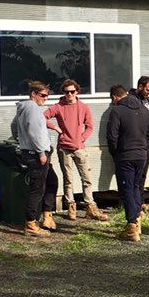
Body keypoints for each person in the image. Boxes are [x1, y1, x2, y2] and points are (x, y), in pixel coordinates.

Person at [44, 79, 106, 222]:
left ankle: (90, 206)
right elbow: (43, 117)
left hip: (80, 148)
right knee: (68, 179)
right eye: (66, 92)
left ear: (77, 92)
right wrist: (55, 128)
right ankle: (71, 206)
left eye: (72, 91)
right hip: (64, 148)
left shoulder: (83, 107)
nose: (69, 94)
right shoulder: (58, 107)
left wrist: (82, 138)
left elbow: (90, 126)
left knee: (86, 178)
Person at [107, 85, 149, 242]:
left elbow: (112, 136)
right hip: (142, 154)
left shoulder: (117, 111)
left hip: (125, 155)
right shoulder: (144, 110)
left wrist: (116, 153)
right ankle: (137, 221)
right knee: (135, 187)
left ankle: (131, 226)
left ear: (115, 97)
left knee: (126, 189)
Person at [12, 81, 58, 237]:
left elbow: (14, 126)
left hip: (32, 151)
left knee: (52, 181)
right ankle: (31, 223)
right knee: (37, 188)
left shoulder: (25, 108)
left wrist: (19, 138)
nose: (45, 99)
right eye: (43, 95)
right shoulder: (32, 107)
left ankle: (47, 215)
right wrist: (41, 152)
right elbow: (34, 131)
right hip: (36, 154)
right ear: (33, 94)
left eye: (47, 96)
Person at [128, 76, 149, 210]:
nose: (148, 92)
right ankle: (133, 202)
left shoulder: (147, 100)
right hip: (136, 142)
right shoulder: (132, 100)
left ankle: (140, 200)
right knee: (134, 174)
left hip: (147, 141)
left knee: (143, 172)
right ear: (140, 87)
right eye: (147, 90)